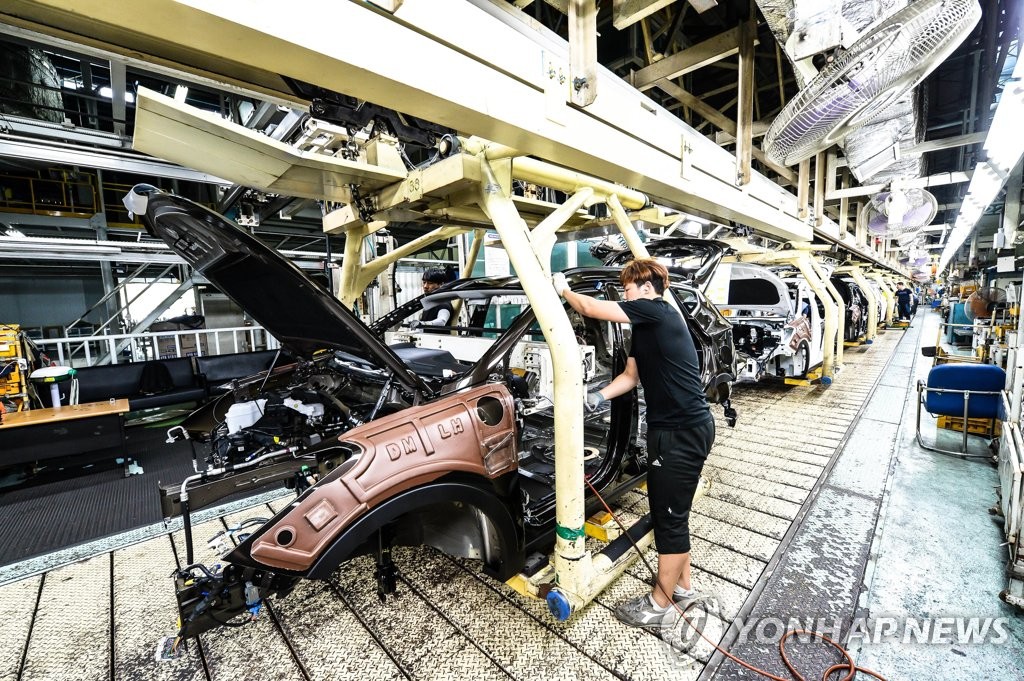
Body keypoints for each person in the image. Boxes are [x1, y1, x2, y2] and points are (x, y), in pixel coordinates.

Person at [552, 260, 715, 632]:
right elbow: (629, 376)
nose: (624, 295)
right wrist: (595, 397)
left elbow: (589, 307)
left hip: (681, 432)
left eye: (627, 288)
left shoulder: (657, 310)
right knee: (670, 514)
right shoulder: (645, 328)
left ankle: (660, 606)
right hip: (674, 430)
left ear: (647, 288)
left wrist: (561, 289)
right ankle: (682, 589)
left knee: (669, 519)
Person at [410, 268, 454, 333]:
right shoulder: (430, 303)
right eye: (424, 282)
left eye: (430, 283)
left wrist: (422, 324)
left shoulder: (444, 303)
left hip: (438, 339)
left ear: (441, 284)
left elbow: (441, 321)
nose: (425, 286)